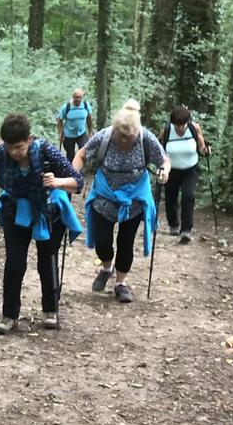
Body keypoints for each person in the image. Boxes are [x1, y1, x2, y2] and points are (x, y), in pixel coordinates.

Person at [0, 113, 83, 334]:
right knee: (15, 263)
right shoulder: (1, 154)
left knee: (47, 260)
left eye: (19, 147)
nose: (14, 152)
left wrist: (57, 182)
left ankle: (50, 310)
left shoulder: (46, 151)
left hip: (48, 211)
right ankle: (9, 315)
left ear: (30, 139)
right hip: (15, 211)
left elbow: (77, 182)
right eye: (10, 147)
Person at [73, 100, 171, 304]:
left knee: (126, 243)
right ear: (115, 131)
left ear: (137, 131)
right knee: (103, 241)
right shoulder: (105, 136)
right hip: (104, 196)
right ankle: (106, 269)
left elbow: (164, 160)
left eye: (129, 137)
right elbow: (81, 154)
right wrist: (73, 174)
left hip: (134, 200)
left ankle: (121, 284)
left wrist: (164, 172)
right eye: (121, 137)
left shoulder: (146, 138)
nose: (125, 141)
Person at [158, 106, 207, 244]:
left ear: (187, 122)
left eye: (183, 125)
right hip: (171, 170)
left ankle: (186, 230)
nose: (180, 128)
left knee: (188, 196)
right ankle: (173, 225)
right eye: (177, 125)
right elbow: (158, 147)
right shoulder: (167, 130)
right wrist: (160, 164)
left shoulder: (194, 128)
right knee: (170, 198)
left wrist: (206, 150)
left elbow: (201, 147)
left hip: (190, 170)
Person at [57, 88, 93, 162]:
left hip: (81, 133)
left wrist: (90, 132)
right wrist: (60, 133)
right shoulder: (67, 107)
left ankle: (81, 171)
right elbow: (59, 120)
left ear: (82, 97)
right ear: (73, 97)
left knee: (84, 152)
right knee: (70, 155)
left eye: (80, 97)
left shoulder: (86, 105)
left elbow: (89, 118)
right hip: (68, 135)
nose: (78, 99)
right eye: (76, 97)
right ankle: (70, 171)